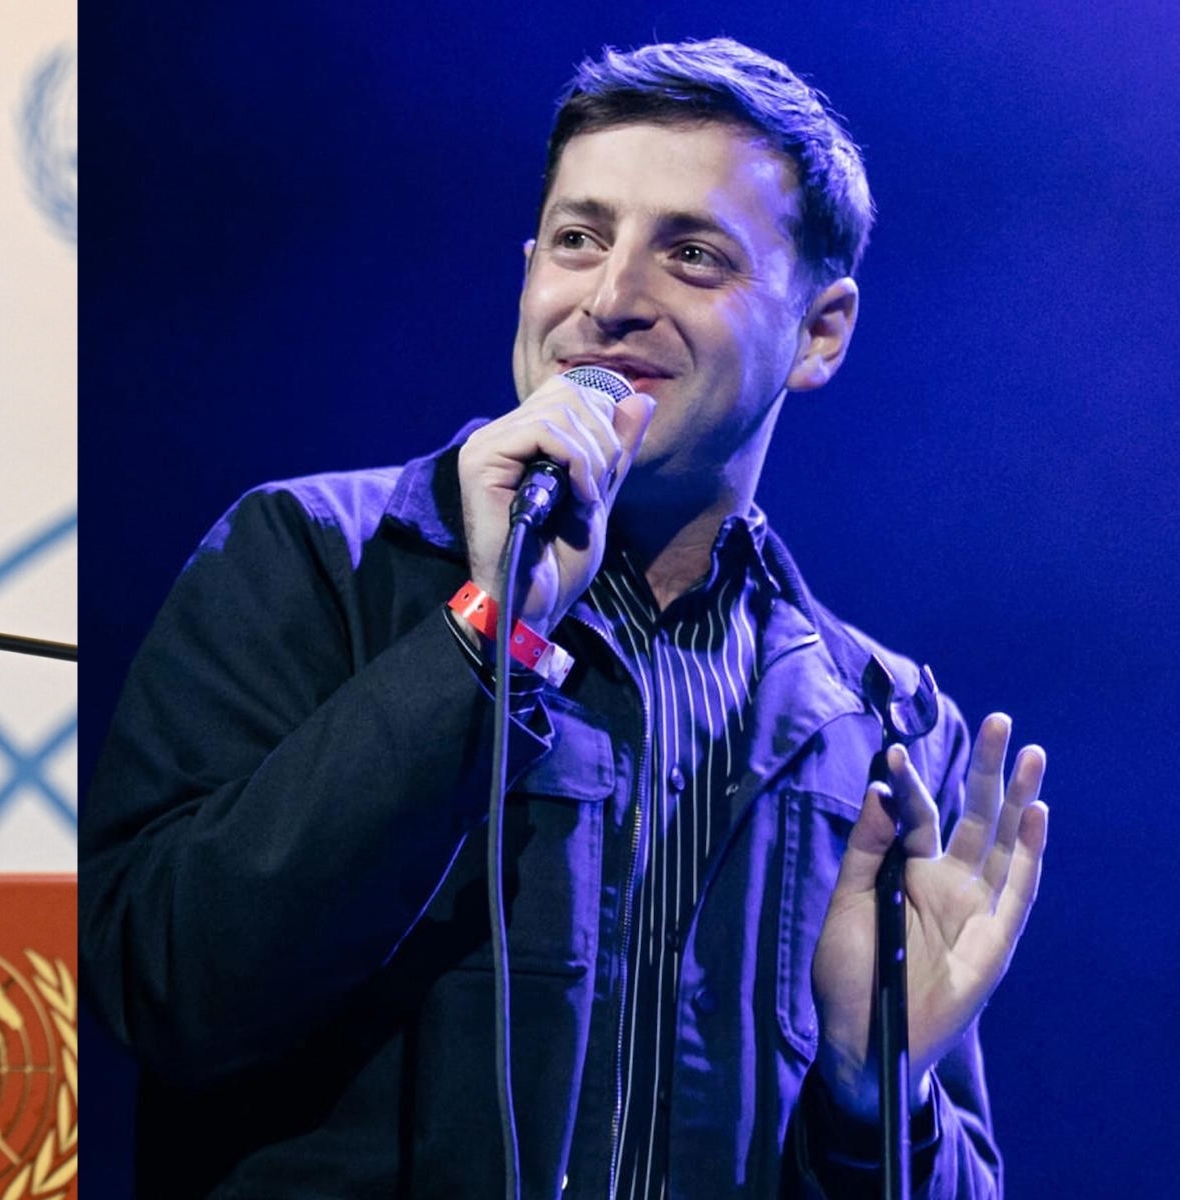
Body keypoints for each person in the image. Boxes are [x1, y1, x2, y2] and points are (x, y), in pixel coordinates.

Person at [82, 38, 1048, 1198]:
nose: (610, 300)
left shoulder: (883, 727)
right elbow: (161, 989)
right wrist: (485, 639)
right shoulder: (313, 558)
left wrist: (872, 1096)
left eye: (691, 256)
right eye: (580, 239)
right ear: (529, 268)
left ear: (820, 332)